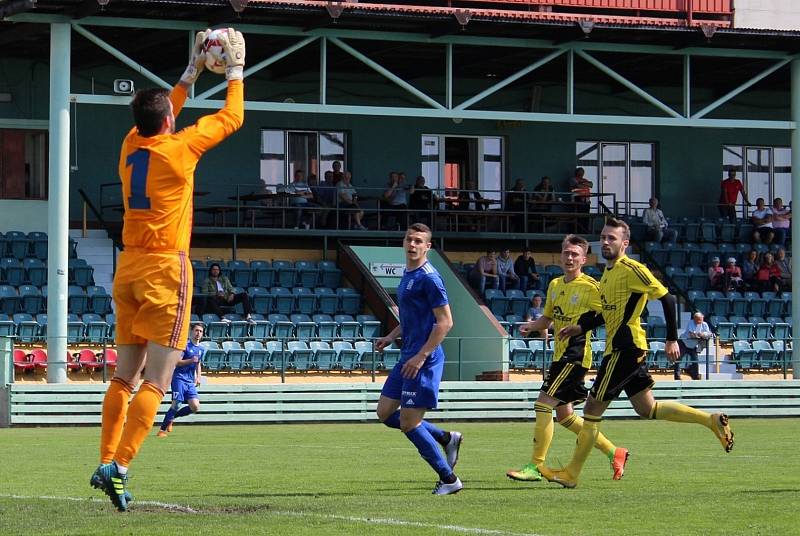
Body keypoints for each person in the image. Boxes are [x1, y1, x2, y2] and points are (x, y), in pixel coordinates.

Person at [89, 28, 246, 512]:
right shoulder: (181, 150)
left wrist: (192, 71)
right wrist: (234, 69)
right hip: (164, 271)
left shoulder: (130, 144)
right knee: (157, 380)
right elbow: (233, 116)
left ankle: (104, 460)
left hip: (128, 267)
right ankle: (121, 466)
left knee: (123, 376)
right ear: (170, 120)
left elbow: (164, 109)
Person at [538, 218, 734, 489]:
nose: (606, 242)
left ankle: (571, 473)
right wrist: (579, 327)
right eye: (604, 237)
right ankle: (710, 420)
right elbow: (606, 314)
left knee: (592, 408)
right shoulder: (607, 273)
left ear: (625, 244)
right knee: (647, 408)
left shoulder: (632, 268)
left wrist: (670, 339)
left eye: (612, 238)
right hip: (623, 350)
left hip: (624, 349)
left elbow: (665, 297)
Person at [507, 234, 628, 483]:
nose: (570, 257)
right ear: (560, 255)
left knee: (542, 404)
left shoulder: (591, 287)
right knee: (565, 416)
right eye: (566, 253)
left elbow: (609, 313)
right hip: (559, 356)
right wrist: (531, 326)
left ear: (583, 259)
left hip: (575, 356)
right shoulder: (554, 285)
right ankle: (614, 452)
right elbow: (547, 320)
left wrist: (584, 327)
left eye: (575, 254)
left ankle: (535, 466)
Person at [374, 223, 463, 495]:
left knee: (409, 423)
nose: (412, 245)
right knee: (384, 413)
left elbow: (445, 323)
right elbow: (412, 317)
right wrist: (391, 336)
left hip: (423, 359)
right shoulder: (408, 274)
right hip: (407, 356)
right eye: (409, 240)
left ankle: (449, 480)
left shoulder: (430, 278)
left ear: (428, 247)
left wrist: (422, 355)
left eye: (418, 241)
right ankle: (446, 438)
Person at [157, 323, 204, 437]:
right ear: (191, 332)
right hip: (179, 378)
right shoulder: (185, 346)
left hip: (189, 381)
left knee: (195, 407)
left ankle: (172, 418)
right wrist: (190, 360)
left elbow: (198, 363)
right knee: (176, 404)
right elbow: (177, 362)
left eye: (201, 331)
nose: (198, 333)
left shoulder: (201, 349)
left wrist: (198, 377)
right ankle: (162, 430)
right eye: (196, 330)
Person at [674, 312, 711, 381]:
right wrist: (701, 335)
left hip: (693, 345)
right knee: (678, 359)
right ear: (694, 319)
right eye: (698, 320)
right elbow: (692, 335)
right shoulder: (691, 323)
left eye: (701, 319)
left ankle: (695, 376)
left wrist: (702, 334)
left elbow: (709, 334)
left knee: (695, 360)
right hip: (684, 342)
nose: (700, 321)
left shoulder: (705, 324)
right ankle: (677, 376)